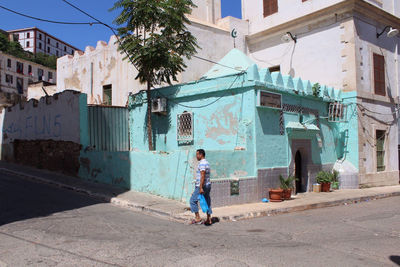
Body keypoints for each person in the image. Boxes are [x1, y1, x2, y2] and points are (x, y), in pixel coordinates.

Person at [190, 149, 212, 225]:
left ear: (201, 154)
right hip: (208, 184)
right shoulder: (207, 163)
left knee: (193, 201)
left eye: (197, 154)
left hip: (202, 185)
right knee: (207, 201)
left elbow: (202, 176)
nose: (196, 156)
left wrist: (200, 187)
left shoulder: (202, 163)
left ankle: (198, 218)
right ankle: (209, 219)